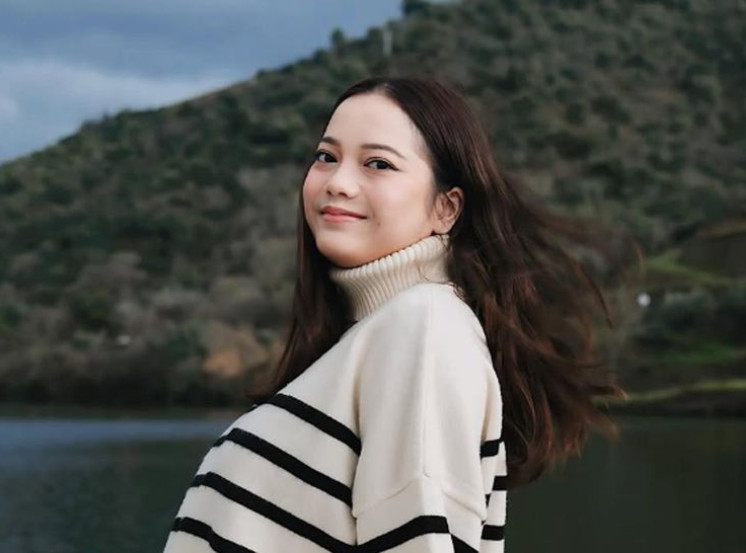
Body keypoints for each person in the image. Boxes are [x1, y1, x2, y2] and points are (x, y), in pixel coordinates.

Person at [162, 76, 627, 553]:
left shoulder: (424, 326)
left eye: (378, 164)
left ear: (446, 208)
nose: (337, 182)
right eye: (326, 157)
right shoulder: (371, 342)